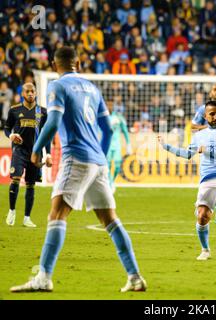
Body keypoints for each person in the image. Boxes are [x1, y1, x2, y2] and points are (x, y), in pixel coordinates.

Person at [10, 46, 146, 293]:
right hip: (98, 162)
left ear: (54, 65)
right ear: (79, 64)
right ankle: (135, 276)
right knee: (110, 220)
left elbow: (52, 122)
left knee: (56, 215)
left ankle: (43, 277)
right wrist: (100, 159)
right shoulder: (93, 89)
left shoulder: (57, 86)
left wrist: (36, 149)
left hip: (77, 157)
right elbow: (109, 129)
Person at [158, 100, 216, 260]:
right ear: (205, 116)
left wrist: (208, 151)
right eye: (212, 114)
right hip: (208, 180)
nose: (215, 116)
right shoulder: (199, 136)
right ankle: (205, 250)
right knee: (202, 216)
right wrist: (166, 147)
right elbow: (187, 154)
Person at [4, 83, 52, 228]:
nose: (30, 93)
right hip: (19, 151)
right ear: (23, 94)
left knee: (31, 185)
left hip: (35, 153)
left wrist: (48, 154)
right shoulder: (14, 110)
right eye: (27, 91)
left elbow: (46, 135)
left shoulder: (42, 112)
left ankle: (27, 218)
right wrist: (11, 135)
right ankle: (12, 211)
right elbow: (7, 128)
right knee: (16, 179)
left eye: (32, 91)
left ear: (36, 93)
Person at [191, 83, 216, 225]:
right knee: (207, 178)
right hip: (207, 149)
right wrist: (210, 126)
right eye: (214, 89)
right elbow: (193, 126)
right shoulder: (202, 110)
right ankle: (201, 203)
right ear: (211, 93)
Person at [107, 101, 133, 192]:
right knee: (108, 165)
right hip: (107, 145)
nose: (109, 107)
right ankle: (109, 183)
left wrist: (128, 144)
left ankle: (112, 181)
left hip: (117, 145)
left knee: (118, 165)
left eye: (111, 105)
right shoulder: (103, 117)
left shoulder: (119, 117)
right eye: (108, 105)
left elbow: (125, 131)